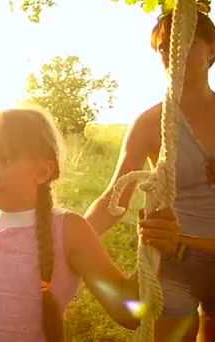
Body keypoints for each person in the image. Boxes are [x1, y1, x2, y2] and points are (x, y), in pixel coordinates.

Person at [0, 108, 179, 341]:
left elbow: (127, 312)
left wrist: (154, 252)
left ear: (42, 171)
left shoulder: (69, 229)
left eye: (6, 160)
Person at [84, 10, 215, 342]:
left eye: (189, 41)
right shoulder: (149, 123)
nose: (174, 52)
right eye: (164, 47)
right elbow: (115, 198)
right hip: (174, 258)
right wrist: (66, 240)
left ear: (212, 49)